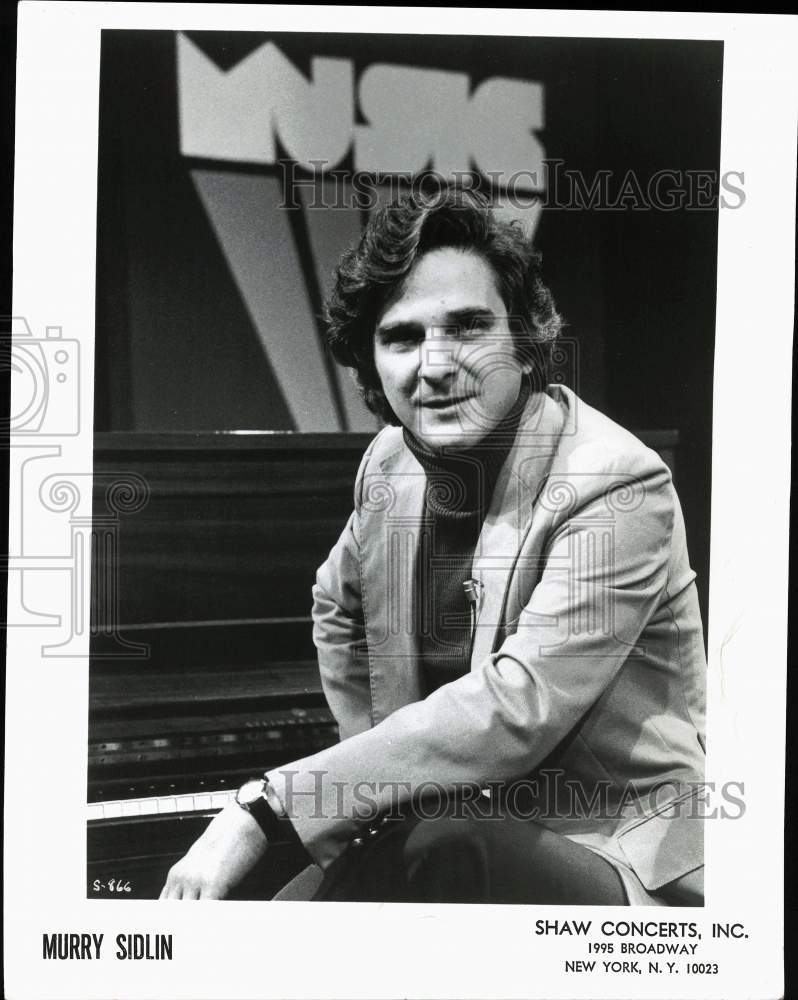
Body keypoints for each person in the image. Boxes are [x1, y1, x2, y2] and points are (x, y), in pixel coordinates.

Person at [161, 185, 706, 905]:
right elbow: (338, 605)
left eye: (469, 327)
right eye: (403, 336)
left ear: (525, 339)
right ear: (371, 361)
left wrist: (268, 806)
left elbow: (520, 707)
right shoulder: (389, 462)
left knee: (439, 844)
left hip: (619, 856)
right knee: (268, 917)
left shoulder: (615, 482)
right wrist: (389, 772)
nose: (437, 364)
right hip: (453, 832)